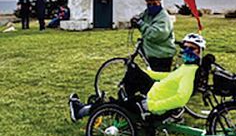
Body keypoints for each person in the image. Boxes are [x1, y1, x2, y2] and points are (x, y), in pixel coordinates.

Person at [69, 33, 212, 122]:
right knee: (134, 72)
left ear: (200, 51)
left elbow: (181, 99)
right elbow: (169, 77)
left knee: (118, 105)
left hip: (153, 103)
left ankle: (81, 111)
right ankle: (123, 98)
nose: (187, 51)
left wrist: (152, 106)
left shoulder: (189, 72)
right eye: (185, 48)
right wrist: (147, 73)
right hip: (154, 94)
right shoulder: (187, 67)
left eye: (192, 49)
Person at [130, 0, 176, 72]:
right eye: (149, 4)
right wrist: (135, 19)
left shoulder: (164, 18)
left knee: (160, 80)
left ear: (159, 3)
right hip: (152, 52)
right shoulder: (147, 13)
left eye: (154, 4)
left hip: (162, 54)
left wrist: (141, 24)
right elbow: (141, 17)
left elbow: (155, 35)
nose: (151, 6)